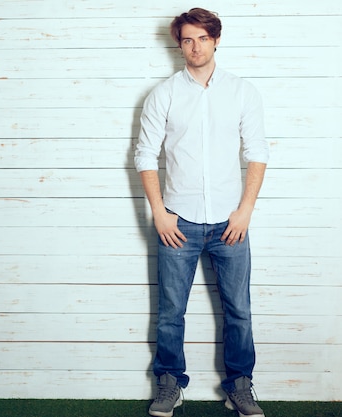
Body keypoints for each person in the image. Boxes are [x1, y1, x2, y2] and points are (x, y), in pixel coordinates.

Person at [134, 8, 270, 417]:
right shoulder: (164, 94)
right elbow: (145, 154)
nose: (195, 47)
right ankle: (170, 384)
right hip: (178, 222)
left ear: (216, 40)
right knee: (172, 312)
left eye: (203, 39)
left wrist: (245, 211)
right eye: (187, 40)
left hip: (232, 223)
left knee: (239, 311)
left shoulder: (242, 92)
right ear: (180, 45)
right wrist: (159, 212)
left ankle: (240, 385)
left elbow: (257, 153)